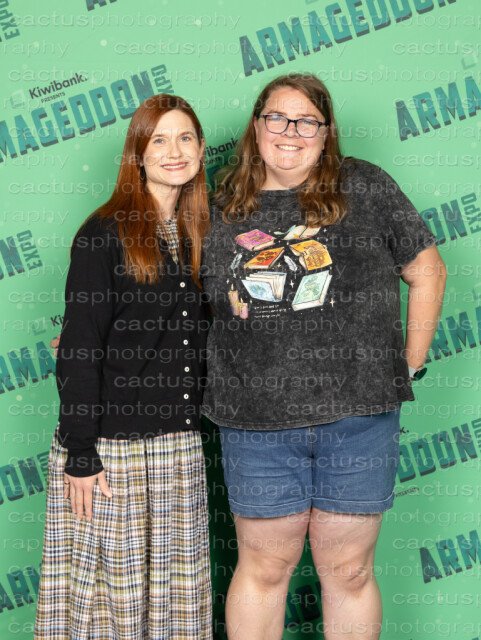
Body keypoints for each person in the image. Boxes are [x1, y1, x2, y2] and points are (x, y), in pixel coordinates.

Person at [200, 73, 447, 639]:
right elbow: (180, 301)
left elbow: (427, 271)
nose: (290, 131)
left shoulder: (365, 186)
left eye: (307, 121)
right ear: (256, 126)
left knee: (349, 570)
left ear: (327, 131)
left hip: (359, 421)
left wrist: (408, 365)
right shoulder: (218, 206)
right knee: (264, 569)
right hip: (255, 422)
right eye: (277, 118)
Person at [34, 94, 213, 640]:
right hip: (112, 450)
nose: (174, 151)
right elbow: (80, 346)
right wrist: (81, 453)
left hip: (179, 446)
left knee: (177, 604)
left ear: (202, 148)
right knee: (108, 608)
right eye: (158, 139)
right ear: (137, 153)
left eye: (185, 137)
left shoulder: (200, 232)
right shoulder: (105, 232)